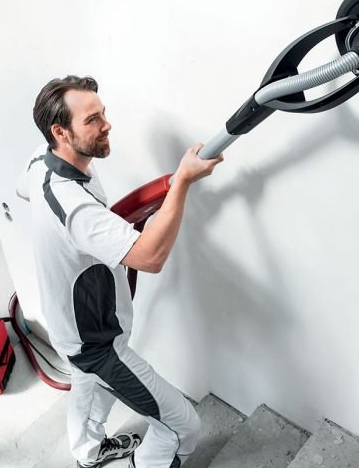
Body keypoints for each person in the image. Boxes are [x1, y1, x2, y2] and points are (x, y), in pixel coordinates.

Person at [17, 75, 223, 468]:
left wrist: (69, 241)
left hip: (71, 326)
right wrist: (182, 181)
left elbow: (23, 191)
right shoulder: (76, 208)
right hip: (97, 345)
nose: (107, 124)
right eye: (92, 120)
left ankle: (88, 452)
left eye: (103, 113)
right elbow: (150, 258)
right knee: (182, 427)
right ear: (60, 132)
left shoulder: (40, 161)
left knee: (89, 387)